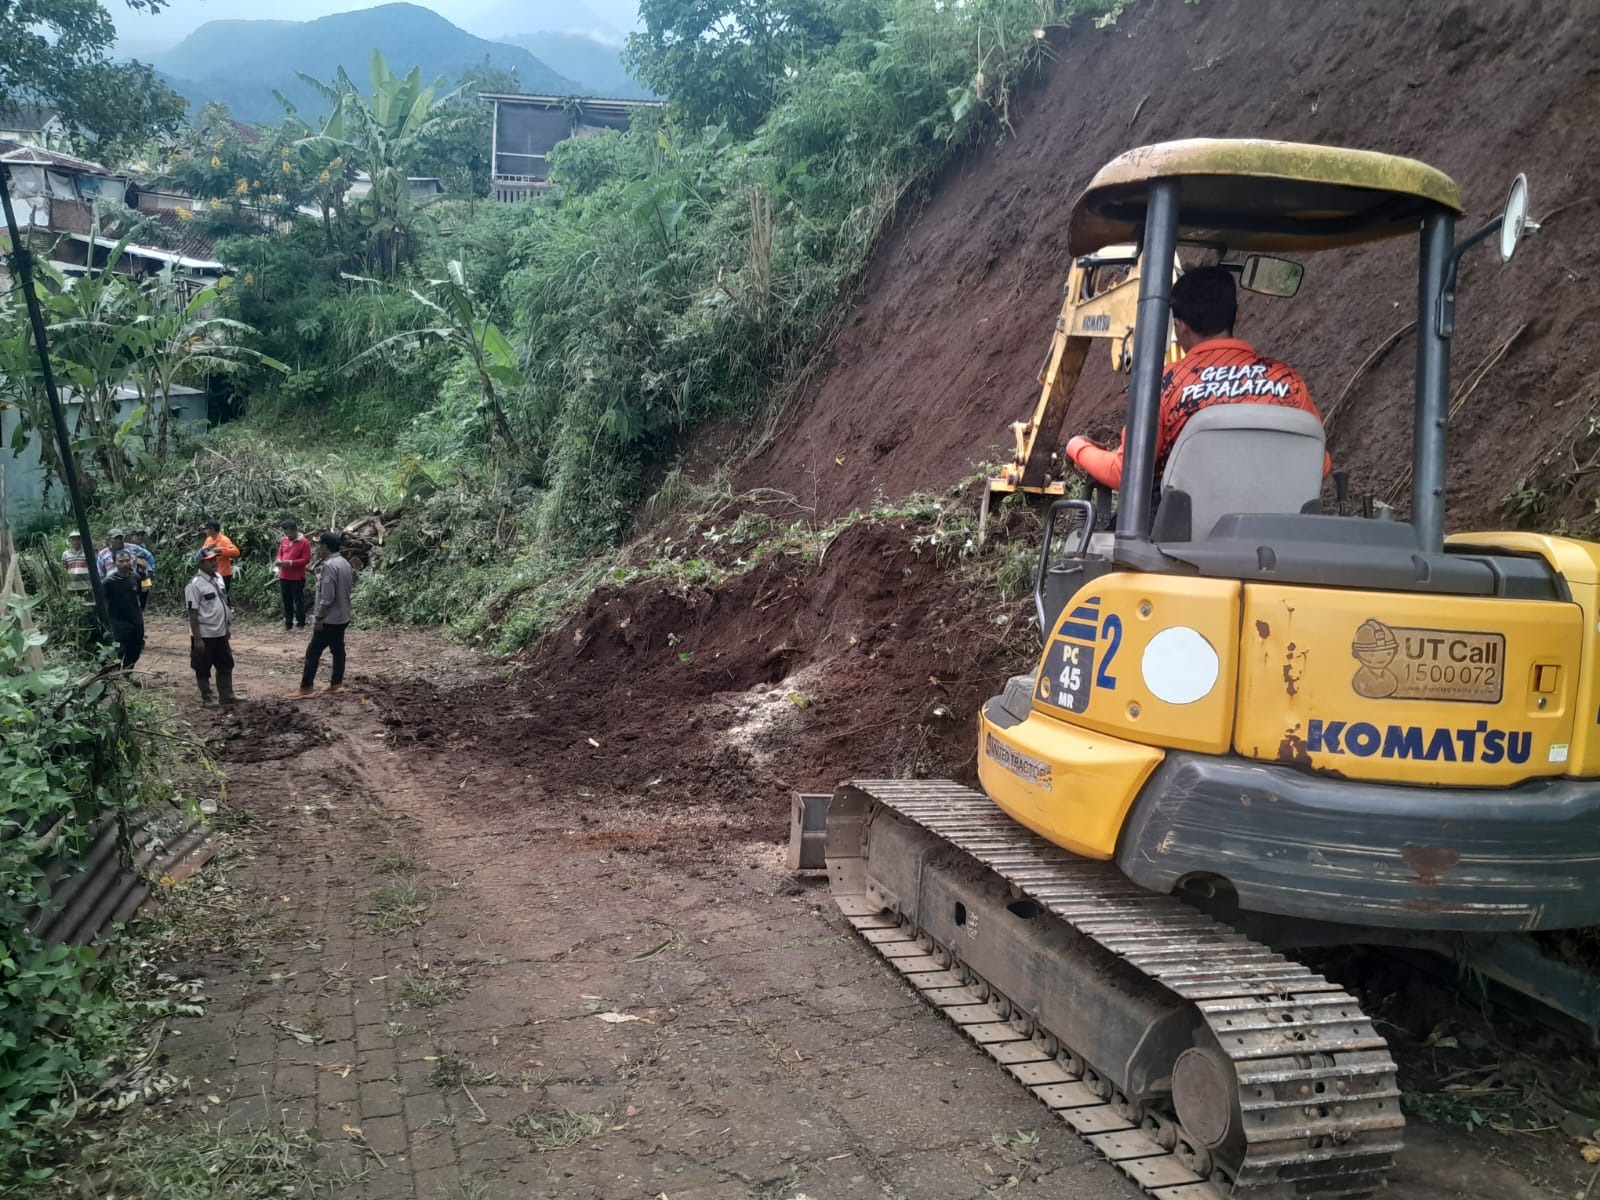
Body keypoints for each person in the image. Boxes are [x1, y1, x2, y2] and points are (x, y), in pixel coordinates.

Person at [1063, 265, 1322, 494]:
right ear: (1237, 317)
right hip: (1276, 528)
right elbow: (1319, 465)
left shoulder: (1163, 386)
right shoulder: (1289, 382)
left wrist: (1078, 447)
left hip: (1183, 532)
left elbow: (1127, 473)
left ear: (1180, 326)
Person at [288, 531, 352, 699]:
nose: (318, 548)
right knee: (338, 650)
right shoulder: (344, 563)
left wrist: (319, 618)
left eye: (319, 545)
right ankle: (336, 683)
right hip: (343, 615)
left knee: (313, 652)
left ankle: (306, 687)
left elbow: (327, 598)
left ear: (325, 546)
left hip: (329, 618)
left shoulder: (329, 566)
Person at [185, 547, 239, 706]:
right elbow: (193, 613)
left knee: (226, 663)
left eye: (215, 560)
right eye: (210, 561)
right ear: (201, 563)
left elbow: (223, 603)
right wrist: (198, 639)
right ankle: (207, 698)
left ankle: (227, 695)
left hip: (220, 632)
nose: (214, 563)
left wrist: (227, 628)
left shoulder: (218, 578)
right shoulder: (194, 585)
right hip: (205, 633)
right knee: (202, 666)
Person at [103, 550, 145, 673]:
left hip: (135, 619)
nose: (125, 564)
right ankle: (115, 675)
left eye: (127, 560)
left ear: (131, 561)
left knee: (136, 648)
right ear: (114, 563)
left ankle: (127, 672)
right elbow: (103, 602)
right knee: (119, 649)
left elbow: (141, 595)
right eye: (121, 561)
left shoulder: (135, 578)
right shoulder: (108, 582)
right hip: (118, 621)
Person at [275, 519, 312, 631]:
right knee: (286, 601)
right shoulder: (284, 540)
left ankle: (301, 623)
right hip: (284, 576)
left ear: (295, 530)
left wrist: (291, 563)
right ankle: (288, 623)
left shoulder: (304, 542)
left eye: (289, 533)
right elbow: (280, 553)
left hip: (297, 577)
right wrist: (279, 560)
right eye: (285, 532)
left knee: (298, 600)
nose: (287, 535)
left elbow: (306, 559)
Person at [200, 520, 241, 591]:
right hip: (212, 573)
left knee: (223, 595)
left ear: (212, 529)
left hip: (223, 574)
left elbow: (236, 552)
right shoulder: (208, 539)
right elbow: (203, 552)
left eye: (206, 529)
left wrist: (222, 550)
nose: (205, 531)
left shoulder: (224, 540)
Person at [126, 527, 155, 610]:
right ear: (132, 537)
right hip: (132, 576)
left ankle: (141, 610)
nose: (140, 537)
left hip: (145, 575)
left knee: (144, 594)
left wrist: (151, 572)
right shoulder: (127, 548)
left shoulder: (144, 549)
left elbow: (150, 562)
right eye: (137, 535)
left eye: (142, 535)